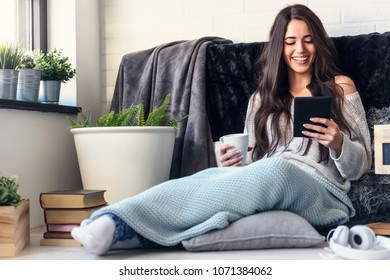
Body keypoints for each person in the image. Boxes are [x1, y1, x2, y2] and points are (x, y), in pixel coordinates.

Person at [71, 4, 371, 255]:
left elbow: (361, 165)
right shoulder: (261, 98)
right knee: (208, 176)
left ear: (318, 43)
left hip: (323, 194)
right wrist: (233, 163)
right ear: (279, 47)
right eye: (290, 42)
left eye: (308, 40)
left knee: (277, 169)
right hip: (269, 177)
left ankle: (122, 224)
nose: (300, 49)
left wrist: (338, 142)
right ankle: (117, 220)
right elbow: (255, 165)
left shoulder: (340, 87)